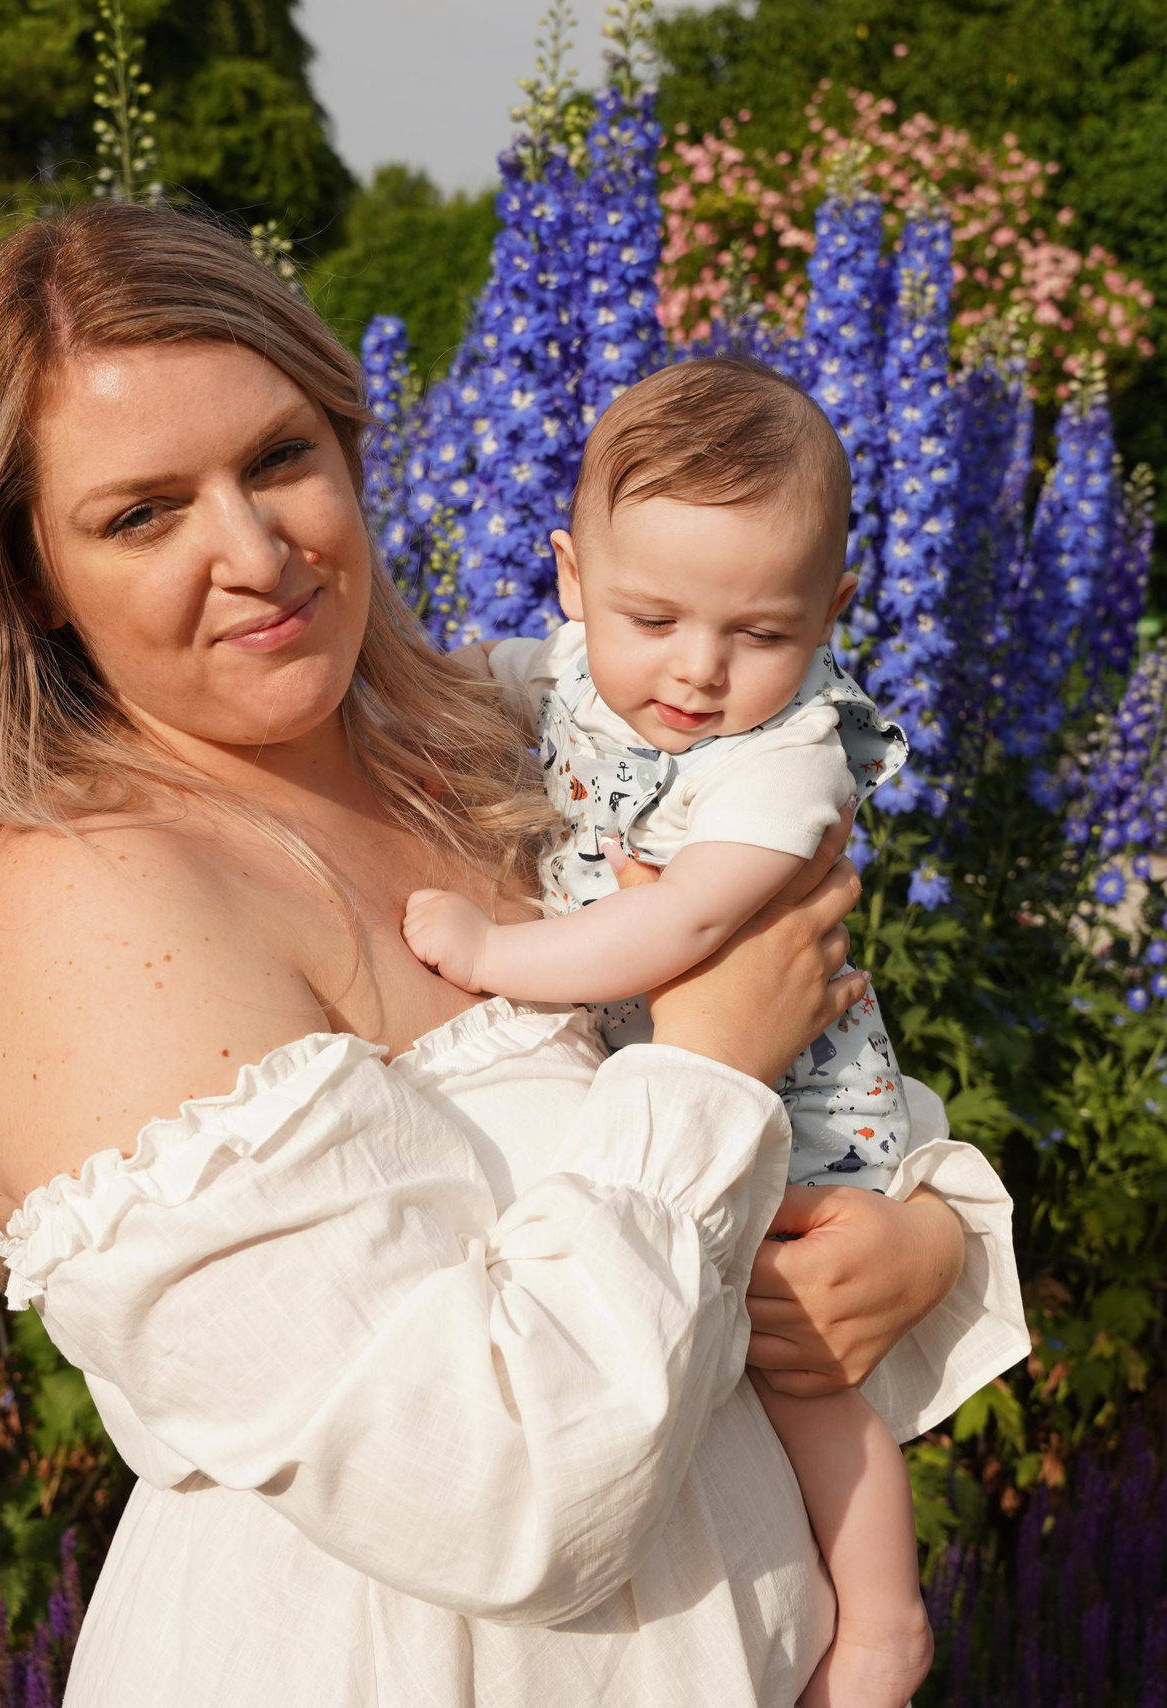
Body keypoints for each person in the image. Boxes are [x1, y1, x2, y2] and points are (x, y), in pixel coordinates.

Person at [0, 198, 1030, 1707]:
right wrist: (711, 1059)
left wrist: (920, 1243)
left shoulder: (491, 742)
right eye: (141, 513)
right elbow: (495, 1490)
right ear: (26, 577)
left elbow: (813, 1102)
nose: (256, 551)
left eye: (280, 458)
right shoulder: (86, 905)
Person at [401, 357, 935, 1708]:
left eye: (759, 631)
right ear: (573, 582)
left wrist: (495, 954)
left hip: (787, 1105)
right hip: (661, 1077)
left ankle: (880, 1622)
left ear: (834, 611)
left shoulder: (787, 756)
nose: (698, 671)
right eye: (655, 617)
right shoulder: (587, 666)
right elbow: (486, 684)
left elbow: (686, 932)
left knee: (801, 1368)